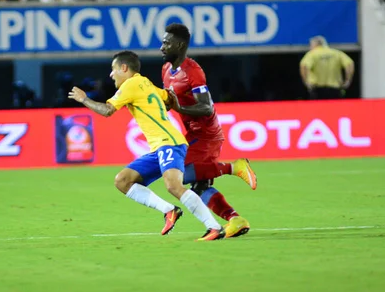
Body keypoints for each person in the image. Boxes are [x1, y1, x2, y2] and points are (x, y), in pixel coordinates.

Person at [68, 51, 226, 241]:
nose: (111, 74)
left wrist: (84, 99)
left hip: (169, 144)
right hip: (160, 147)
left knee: (173, 186)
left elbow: (108, 110)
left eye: (113, 69)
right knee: (123, 180)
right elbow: (168, 98)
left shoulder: (130, 85)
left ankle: (214, 227)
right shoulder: (145, 83)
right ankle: (169, 210)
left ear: (124, 68)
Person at [160, 23, 257, 238]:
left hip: (206, 133)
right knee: (199, 187)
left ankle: (233, 167)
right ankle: (236, 220)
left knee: (179, 173)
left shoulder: (192, 71)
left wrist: (178, 107)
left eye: (166, 43)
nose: (162, 47)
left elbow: (205, 106)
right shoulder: (166, 70)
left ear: (179, 45)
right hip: (192, 133)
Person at [300, 35, 355, 100]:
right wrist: (347, 80)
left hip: (317, 90)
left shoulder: (312, 54)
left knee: (318, 109)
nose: (310, 47)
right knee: (335, 109)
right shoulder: (336, 53)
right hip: (335, 90)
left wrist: (306, 81)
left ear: (315, 44)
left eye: (311, 45)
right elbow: (349, 64)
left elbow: (304, 66)